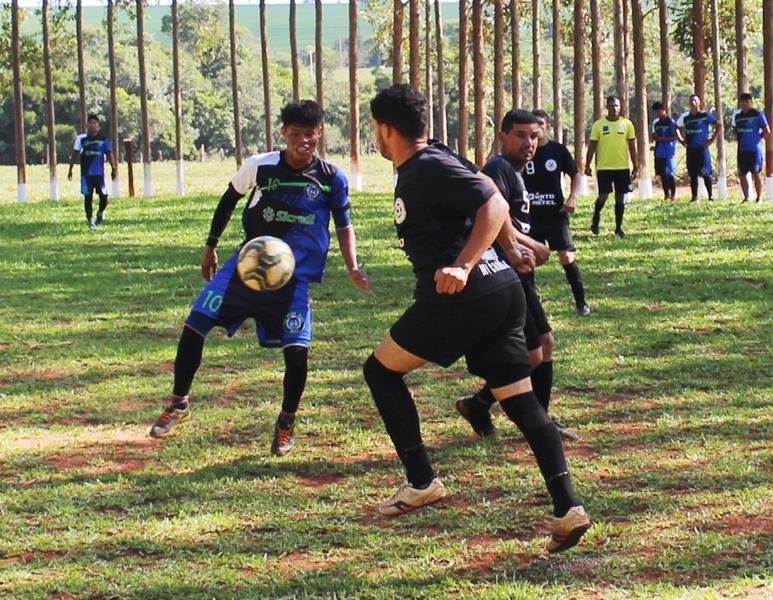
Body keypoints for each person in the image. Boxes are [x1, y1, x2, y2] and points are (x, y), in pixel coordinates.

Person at [365, 83, 590, 553]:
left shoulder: (425, 166)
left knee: (380, 371)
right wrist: (509, 247)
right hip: (502, 290)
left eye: (376, 130)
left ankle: (422, 480)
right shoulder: (435, 159)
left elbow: (492, 202)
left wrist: (464, 264)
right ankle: (568, 509)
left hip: (462, 296)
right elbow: (489, 195)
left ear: (386, 130)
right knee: (521, 402)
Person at [148, 100, 371, 457]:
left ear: (320, 135)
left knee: (297, 356)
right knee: (195, 324)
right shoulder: (260, 166)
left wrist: (353, 266)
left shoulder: (332, 178)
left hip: (293, 282)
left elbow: (344, 226)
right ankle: (179, 403)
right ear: (284, 133)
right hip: (245, 269)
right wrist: (210, 245)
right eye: (295, 134)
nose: (303, 142)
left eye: (310, 136)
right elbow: (228, 200)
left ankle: (286, 423)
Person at [456, 109, 579, 443]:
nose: (530, 143)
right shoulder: (497, 169)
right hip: (505, 273)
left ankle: (503, 411)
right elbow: (490, 218)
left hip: (520, 272)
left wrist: (530, 246)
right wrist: (529, 245)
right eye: (521, 135)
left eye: (534, 136)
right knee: (531, 354)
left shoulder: (516, 171)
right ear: (503, 136)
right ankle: (530, 423)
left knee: (544, 347)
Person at [525, 109, 590, 317]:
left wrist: (572, 198)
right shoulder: (524, 151)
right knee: (527, 260)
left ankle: (581, 302)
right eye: (533, 125)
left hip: (555, 214)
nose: (537, 128)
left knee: (566, 257)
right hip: (530, 216)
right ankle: (532, 306)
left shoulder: (557, 150)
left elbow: (576, 174)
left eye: (541, 124)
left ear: (548, 127)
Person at [585, 96, 638, 239]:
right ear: (606, 107)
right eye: (612, 106)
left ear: (620, 107)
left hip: (622, 167)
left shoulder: (627, 124)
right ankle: (596, 216)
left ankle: (618, 228)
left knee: (620, 198)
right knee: (603, 195)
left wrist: (636, 166)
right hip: (604, 167)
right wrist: (587, 164)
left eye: (617, 106)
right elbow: (592, 146)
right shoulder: (599, 125)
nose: (615, 108)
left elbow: (632, 146)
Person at [68, 114, 116, 229]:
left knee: (104, 196)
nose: (92, 125)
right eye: (90, 123)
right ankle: (90, 220)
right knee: (87, 197)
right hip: (86, 174)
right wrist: (70, 169)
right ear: (86, 125)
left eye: (95, 123)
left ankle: (100, 213)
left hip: (99, 174)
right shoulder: (81, 139)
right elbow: (74, 154)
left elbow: (109, 154)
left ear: (98, 125)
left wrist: (113, 169)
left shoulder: (103, 139)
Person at [676, 94, 722, 203]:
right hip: (691, 150)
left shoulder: (705, 115)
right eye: (691, 101)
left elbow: (719, 125)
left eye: (695, 101)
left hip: (702, 149)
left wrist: (711, 140)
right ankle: (694, 197)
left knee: (706, 173)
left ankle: (710, 196)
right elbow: (676, 127)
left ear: (699, 103)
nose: (693, 103)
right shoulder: (686, 117)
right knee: (693, 175)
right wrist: (681, 140)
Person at [732, 93, 771, 203]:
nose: (744, 104)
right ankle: (746, 197)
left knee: (756, 173)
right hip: (742, 150)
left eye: (747, 102)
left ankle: (759, 198)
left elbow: (766, 130)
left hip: (754, 150)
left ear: (750, 102)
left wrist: (757, 138)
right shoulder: (737, 116)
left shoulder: (757, 114)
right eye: (742, 102)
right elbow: (735, 129)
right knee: (742, 174)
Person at [651, 101, 678, 202]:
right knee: (662, 175)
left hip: (668, 152)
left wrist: (664, 139)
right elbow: (655, 136)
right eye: (656, 112)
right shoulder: (656, 123)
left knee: (669, 174)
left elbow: (675, 136)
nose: (657, 114)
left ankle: (673, 196)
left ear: (664, 110)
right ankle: (666, 195)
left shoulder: (671, 122)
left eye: (659, 111)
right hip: (659, 152)